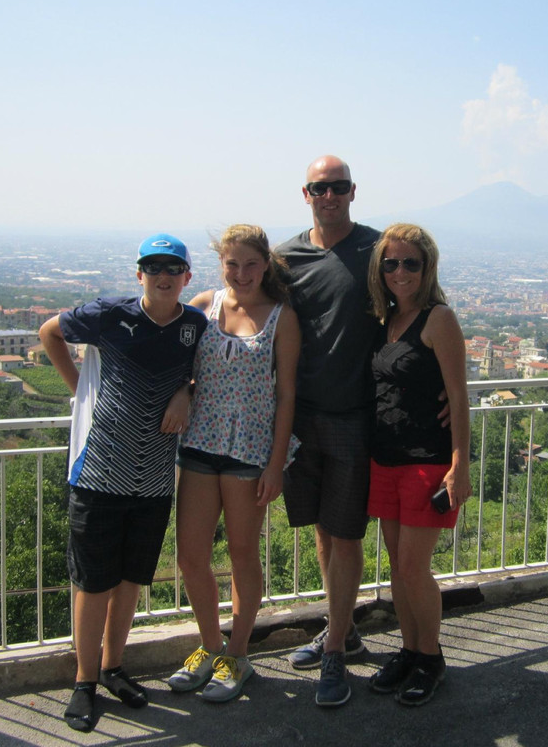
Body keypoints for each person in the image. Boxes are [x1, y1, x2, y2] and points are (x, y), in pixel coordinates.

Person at [38, 233, 206, 733]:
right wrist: (80, 393)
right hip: (98, 474)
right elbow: (50, 332)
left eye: (172, 268)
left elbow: (206, 374)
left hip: (153, 479)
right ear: (139, 275)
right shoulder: (110, 315)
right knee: (93, 584)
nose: (163, 275)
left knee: (131, 581)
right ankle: (84, 682)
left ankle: (113, 668)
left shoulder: (194, 326)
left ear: (186, 278)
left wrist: (185, 391)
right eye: (153, 267)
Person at [164, 225, 300, 702]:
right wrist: (183, 391)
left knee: (241, 555)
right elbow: (182, 370)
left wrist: (276, 463)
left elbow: (286, 396)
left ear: (265, 265)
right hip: (200, 445)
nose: (241, 274)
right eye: (232, 264)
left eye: (250, 264)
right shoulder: (204, 306)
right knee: (190, 556)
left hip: (248, 453)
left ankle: (238, 655)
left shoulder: (281, 318)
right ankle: (209, 645)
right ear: (220, 265)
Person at [274, 155, 380, 707]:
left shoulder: (380, 251)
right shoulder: (286, 258)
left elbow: (422, 311)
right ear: (306, 193)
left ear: (353, 191)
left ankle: (336, 650)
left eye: (338, 187)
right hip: (299, 418)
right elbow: (242, 305)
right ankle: (345, 629)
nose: (330, 195)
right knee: (322, 528)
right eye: (321, 187)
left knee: (347, 534)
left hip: (354, 417)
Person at [364, 223, 471, 706]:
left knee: (413, 566)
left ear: (427, 268)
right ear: (380, 270)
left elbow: (460, 398)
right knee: (397, 567)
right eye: (391, 263)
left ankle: (431, 657)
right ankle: (409, 651)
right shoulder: (385, 319)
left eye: (411, 262)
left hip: (427, 461)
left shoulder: (438, 319)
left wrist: (459, 464)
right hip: (385, 459)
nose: (401, 271)